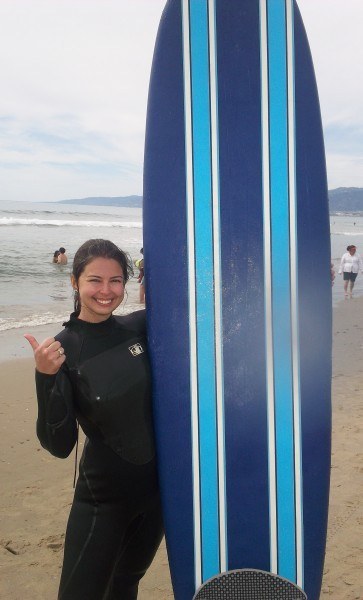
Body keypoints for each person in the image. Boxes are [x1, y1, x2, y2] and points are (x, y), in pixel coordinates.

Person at [25, 239, 163, 599]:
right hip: (104, 499)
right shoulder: (61, 351)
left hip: (158, 495)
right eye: (94, 280)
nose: (106, 291)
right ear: (74, 282)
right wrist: (45, 376)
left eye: (116, 281)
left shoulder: (141, 326)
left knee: (125, 584)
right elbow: (59, 444)